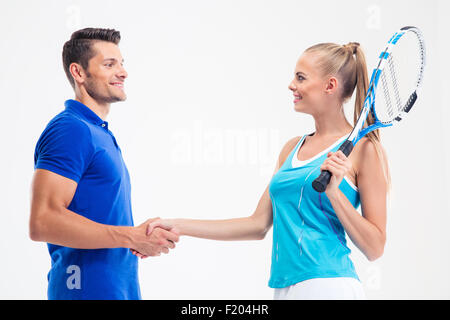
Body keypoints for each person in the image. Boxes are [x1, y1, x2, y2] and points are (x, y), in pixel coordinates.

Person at [134, 42, 389, 300]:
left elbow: (375, 248)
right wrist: (176, 225)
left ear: (330, 86)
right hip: (285, 286)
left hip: (328, 285)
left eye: (301, 78)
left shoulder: (365, 150)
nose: (291, 85)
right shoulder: (292, 148)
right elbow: (257, 225)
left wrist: (335, 194)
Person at [29, 28, 180, 300]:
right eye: (109, 64)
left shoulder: (98, 132)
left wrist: (137, 236)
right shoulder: (71, 129)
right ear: (79, 73)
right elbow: (42, 221)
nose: (122, 72)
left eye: (122, 64)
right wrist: (131, 237)